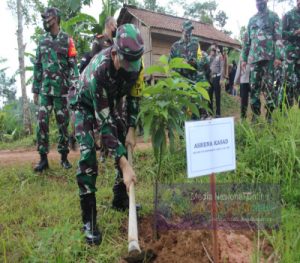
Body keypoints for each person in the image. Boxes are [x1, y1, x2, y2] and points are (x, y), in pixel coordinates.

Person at [70, 24, 144, 245]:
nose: (132, 68)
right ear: (114, 53)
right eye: (127, 63)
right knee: (88, 156)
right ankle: (89, 221)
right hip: (83, 104)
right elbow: (104, 124)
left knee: (121, 135)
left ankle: (120, 199)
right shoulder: (100, 71)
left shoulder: (134, 66)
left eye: (135, 63)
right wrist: (125, 165)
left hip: (110, 102)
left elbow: (133, 97)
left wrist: (131, 127)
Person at [32, 7, 79, 172]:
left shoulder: (68, 40)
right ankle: (43, 159)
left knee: (62, 125)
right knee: (41, 123)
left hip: (62, 91)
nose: (46, 20)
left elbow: (73, 65)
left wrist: (75, 86)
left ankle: (64, 158)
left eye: (48, 17)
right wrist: (35, 90)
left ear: (56, 18)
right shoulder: (42, 40)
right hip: (45, 90)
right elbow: (37, 65)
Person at [242, 0, 283, 122]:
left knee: (270, 88)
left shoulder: (273, 17)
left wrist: (278, 57)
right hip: (254, 59)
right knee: (254, 88)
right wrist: (244, 59)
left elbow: (278, 37)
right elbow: (247, 41)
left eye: (261, 1)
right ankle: (255, 116)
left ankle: (269, 115)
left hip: (269, 59)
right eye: (257, 1)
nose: (259, 3)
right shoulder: (252, 20)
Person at [170, 20, 210, 118]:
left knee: (197, 109)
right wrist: (181, 65)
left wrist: (195, 62)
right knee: (183, 111)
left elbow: (201, 59)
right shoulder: (175, 46)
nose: (189, 33)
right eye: (187, 30)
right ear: (182, 30)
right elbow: (170, 65)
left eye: (191, 30)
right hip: (182, 83)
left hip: (195, 82)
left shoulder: (196, 43)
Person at [282, 0, 300, 108]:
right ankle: (286, 110)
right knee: (288, 82)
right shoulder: (288, 15)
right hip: (290, 55)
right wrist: (295, 32)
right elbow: (281, 33)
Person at [208, 44, 225, 117]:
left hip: (217, 77)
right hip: (210, 78)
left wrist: (221, 79)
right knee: (209, 96)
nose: (213, 51)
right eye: (212, 50)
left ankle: (218, 113)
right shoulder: (208, 58)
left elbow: (222, 68)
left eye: (214, 50)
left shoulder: (219, 57)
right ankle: (210, 112)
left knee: (217, 96)